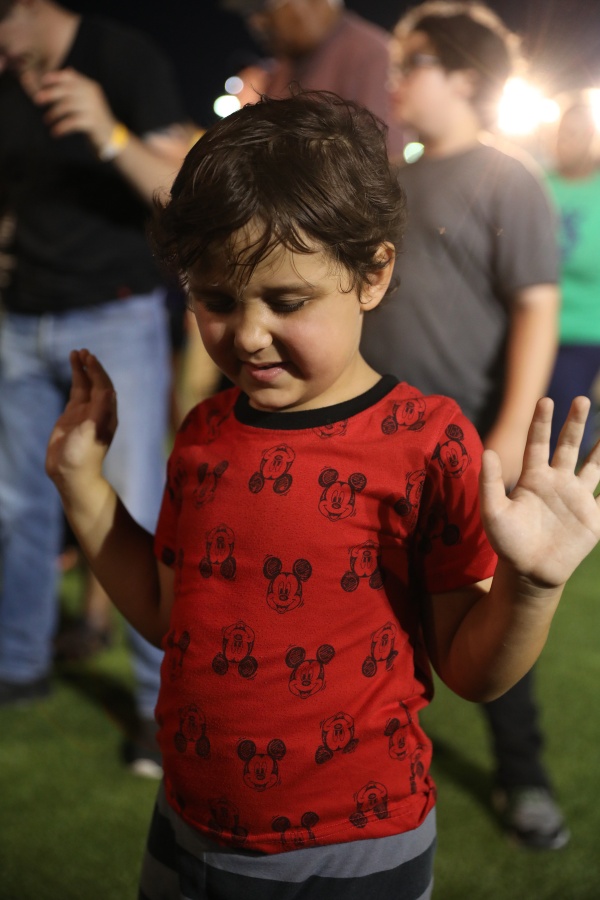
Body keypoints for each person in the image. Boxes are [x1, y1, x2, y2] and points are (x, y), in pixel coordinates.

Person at [45, 90, 600, 899]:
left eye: (287, 301)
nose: (248, 334)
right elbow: (171, 618)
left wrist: (534, 585)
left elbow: (472, 670)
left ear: (372, 274)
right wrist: (82, 485)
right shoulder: (203, 433)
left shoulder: (426, 442)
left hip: (357, 855)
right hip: (187, 827)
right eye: (216, 300)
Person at [360, 1, 568, 849]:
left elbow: (536, 309)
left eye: (413, 63)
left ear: (465, 78)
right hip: (374, 440)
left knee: (483, 610)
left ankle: (523, 775)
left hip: (460, 446)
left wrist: (506, 435)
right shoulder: (393, 178)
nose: (396, 79)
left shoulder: (507, 177)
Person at [0, 0, 193, 774]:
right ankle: (19, 665)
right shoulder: (10, 82)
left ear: (30, 7)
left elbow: (177, 192)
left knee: (138, 503)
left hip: (115, 318)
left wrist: (109, 131)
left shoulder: (124, 59)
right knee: (16, 504)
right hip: (20, 319)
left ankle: (156, 706)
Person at [220, 0, 404, 155]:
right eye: (250, 14)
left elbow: (382, 158)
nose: (257, 23)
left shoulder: (368, 53)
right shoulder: (284, 65)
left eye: (265, 9)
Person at [545, 97, 600, 457]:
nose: (567, 141)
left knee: (563, 434)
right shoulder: (539, 182)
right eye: (563, 133)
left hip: (583, 335)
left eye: (577, 133)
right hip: (534, 326)